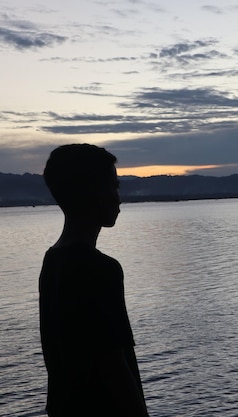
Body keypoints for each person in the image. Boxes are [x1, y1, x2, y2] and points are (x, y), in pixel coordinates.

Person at [39, 144, 149, 417]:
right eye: (113, 187)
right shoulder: (101, 269)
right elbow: (114, 364)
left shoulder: (52, 261)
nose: (118, 198)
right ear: (91, 192)